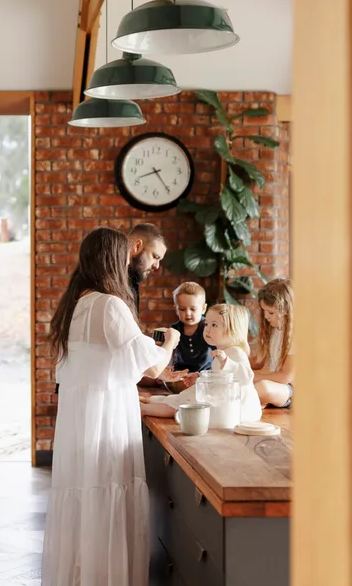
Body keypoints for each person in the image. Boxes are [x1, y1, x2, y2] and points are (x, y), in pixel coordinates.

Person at [41, 226, 180, 586]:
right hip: (106, 423)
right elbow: (152, 365)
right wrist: (171, 341)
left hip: (80, 425)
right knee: (107, 500)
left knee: (87, 506)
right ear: (113, 259)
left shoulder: (76, 304)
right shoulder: (110, 304)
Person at [140, 303, 262, 423]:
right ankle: (151, 400)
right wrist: (200, 377)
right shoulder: (222, 352)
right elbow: (218, 378)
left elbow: (246, 377)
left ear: (233, 331)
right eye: (207, 324)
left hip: (236, 409)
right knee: (187, 396)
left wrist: (226, 361)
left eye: (214, 325)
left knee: (187, 402)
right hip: (220, 400)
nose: (207, 329)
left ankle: (144, 409)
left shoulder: (236, 352)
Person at [251, 278, 295, 408]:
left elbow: (285, 376)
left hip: (290, 390)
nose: (266, 316)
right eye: (264, 311)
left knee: (263, 387)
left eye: (271, 312)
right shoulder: (276, 330)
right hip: (279, 386)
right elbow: (261, 361)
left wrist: (252, 376)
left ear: (286, 310)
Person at [169, 281, 213, 374]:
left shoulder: (208, 327)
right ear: (176, 309)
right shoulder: (174, 329)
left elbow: (218, 351)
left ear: (203, 309)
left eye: (193, 309)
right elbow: (169, 353)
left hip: (205, 374)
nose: (188, 313)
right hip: (180, 373)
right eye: (182, 309)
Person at [127, 222, 167, 313]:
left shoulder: (132, 281)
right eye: (155, 257)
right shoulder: (109, 282)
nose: (156, 266)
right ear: (137, 246)